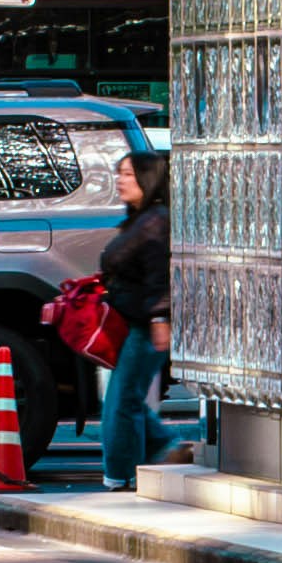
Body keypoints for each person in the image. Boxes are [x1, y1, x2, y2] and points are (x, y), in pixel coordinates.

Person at [94, 152, 174, 494]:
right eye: (119, 173)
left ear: (147, 177)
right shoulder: (141, 219)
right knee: (126, 396)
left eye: (128, 173)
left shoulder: (156, 221)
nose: (121, 180)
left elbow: (160, 274)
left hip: (145, 323)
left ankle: (122, 475)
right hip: (131, 321)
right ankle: (166, 447)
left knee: (122, 398)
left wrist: (160, 317)